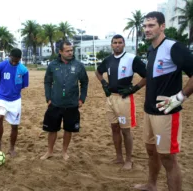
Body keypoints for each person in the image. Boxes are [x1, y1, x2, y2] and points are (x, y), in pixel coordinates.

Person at [134, 12, 193, 191]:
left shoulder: (174, 47)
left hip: (167, 112)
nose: (147, 29)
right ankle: (151, 185)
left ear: (162, 26)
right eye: (145, 26)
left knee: (168, 158)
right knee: (151, 151)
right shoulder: (152, 49)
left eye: (151, 25)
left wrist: (180, 97)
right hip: (149, 111)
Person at [95, 34, 147, 170]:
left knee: (126, 131)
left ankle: (129, 159)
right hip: (110, 98)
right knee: (114, 128)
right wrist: (103, 83)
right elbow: (98, 72)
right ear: (111, 45)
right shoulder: (108, 60)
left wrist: (134, 88)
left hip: (124, 99)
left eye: (119, 42)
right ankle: (119, 157)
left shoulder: (132, 59)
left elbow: (147, 76)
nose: (117, 45)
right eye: (114, 43)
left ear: (124, 44)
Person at [41, 41, 89, 161]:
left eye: (71, 50)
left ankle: (64, 152)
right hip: (55, 103)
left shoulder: (79, 65)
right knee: (52, 129)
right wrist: (48, 97)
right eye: (67, 51)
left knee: (68, 129)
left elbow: (84, 82)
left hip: (72, 104)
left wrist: (82, 99)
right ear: (60, 52)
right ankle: (50, 151)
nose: (70, 53)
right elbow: (47, 81)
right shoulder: (52, 65)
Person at [0, 48, 29, 157]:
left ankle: (12, 148)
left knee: (14, 126)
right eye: (13, 59)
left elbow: (24, 85)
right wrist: (5, 89)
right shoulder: (1, 66)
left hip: (15, 100)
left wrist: (13, 89)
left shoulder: (23, 70)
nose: (14, 62)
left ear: (20, 59)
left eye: (17, 60)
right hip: (2, 97)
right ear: (10, 56)